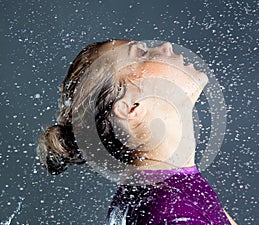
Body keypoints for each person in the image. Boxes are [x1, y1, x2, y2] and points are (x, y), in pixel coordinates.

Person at [37, 39, 237, 224]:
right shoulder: (174, 210)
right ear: (130, 107)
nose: (166, 46)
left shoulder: (169, 190)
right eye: (142, 53)